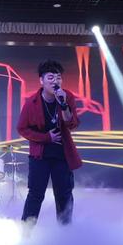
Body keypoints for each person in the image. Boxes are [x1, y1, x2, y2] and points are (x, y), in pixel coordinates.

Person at [18, 59, 82, 225]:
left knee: (64, 195)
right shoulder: (31, 103)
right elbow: (22, 128)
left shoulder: (67, 97)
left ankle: (65, 232)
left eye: (58, 78)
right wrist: (46, 137)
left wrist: (64, 104)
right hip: (40, 156)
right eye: (51, 77)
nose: (55, 81)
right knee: (36, 195)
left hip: (62, 155)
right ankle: (26, 231)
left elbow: (72, 124)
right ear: (42, 80)